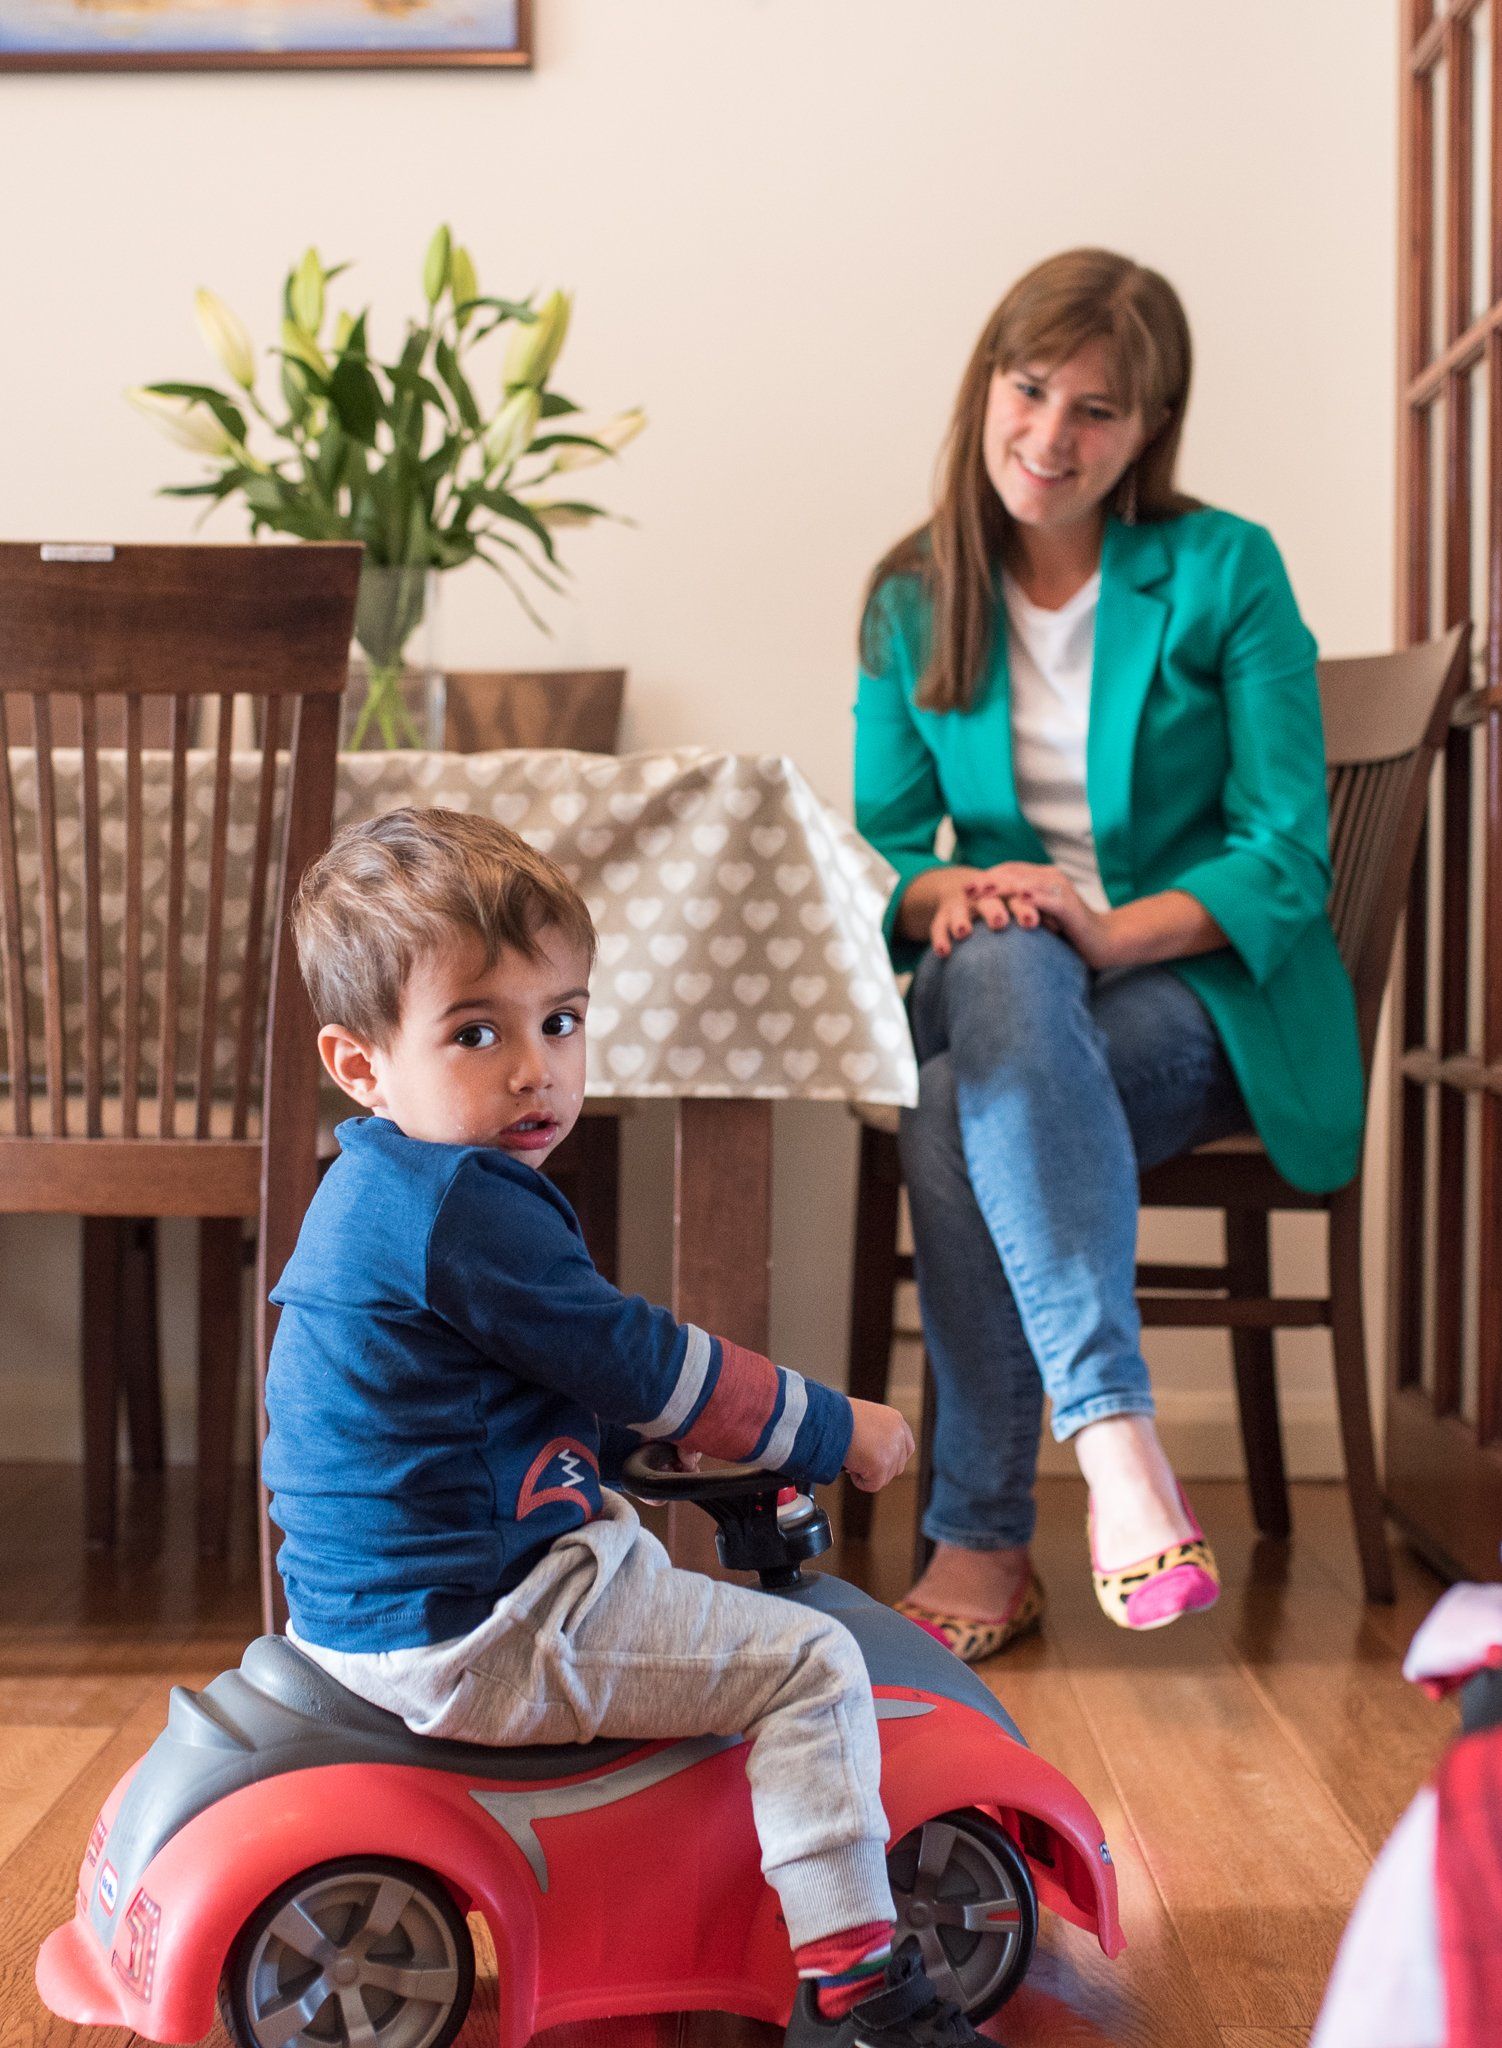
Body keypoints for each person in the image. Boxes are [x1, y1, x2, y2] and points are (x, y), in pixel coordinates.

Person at [261, 806, 981, 2048]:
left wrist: (643, 1434)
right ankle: (865, 1978)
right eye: (476, 1031)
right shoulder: (466, 1207)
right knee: (814, 1664)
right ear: (362, 1063)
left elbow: (551, 1382)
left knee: (629, 1529)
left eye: (562, 1019)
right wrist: (827, 1428)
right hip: (475, 1626)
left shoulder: (377, 1184)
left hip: (382, 1596)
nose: (535, 1067)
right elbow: (644, 1358)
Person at [854, 248, 1363, 1660]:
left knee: (957, 1106)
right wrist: (957, 892)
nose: (1050, 437)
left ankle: (982, 1538)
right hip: (1000, 973)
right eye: (1030, 391)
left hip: (1191, 999)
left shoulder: (1221, 570)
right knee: (1007, 964)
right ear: (986, 388)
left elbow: (1280, 848)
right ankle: (1118, 1445)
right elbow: (883, 850)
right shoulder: (911, 596)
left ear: (1148, 430)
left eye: (1096, 410)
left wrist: (1102, 923)